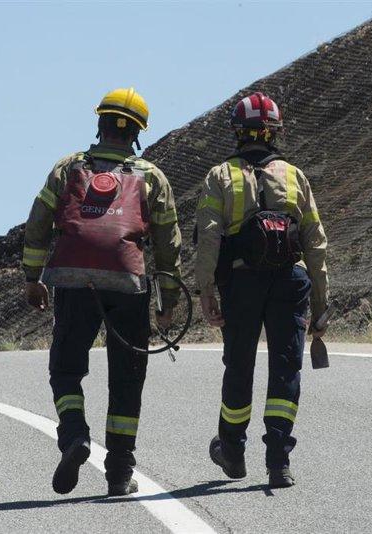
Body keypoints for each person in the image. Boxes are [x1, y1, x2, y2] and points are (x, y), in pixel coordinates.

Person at [22, 88, 182, 496]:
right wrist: (168, 297)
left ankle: (74, 434)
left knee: (65, 368)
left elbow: (39, 220)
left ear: (100, 124)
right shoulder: (152, 176)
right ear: (136, 133)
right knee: (127, 376)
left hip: (74, 281)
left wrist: (33, 276)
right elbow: (168, 242)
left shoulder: (68, 167)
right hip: (128, 284)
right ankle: (119, 472)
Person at [194, 92, 329, 488]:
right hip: (291, 281)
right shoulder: (294, 175)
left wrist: (206, 292)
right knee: (286, 366)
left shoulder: (220, 176)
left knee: (239, 366)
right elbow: (316, 242)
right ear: (275, 133)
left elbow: (208, 239)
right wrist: (321, 304)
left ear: (238, 134)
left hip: (241, 282)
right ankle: (278, 462)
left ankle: (233, 453)